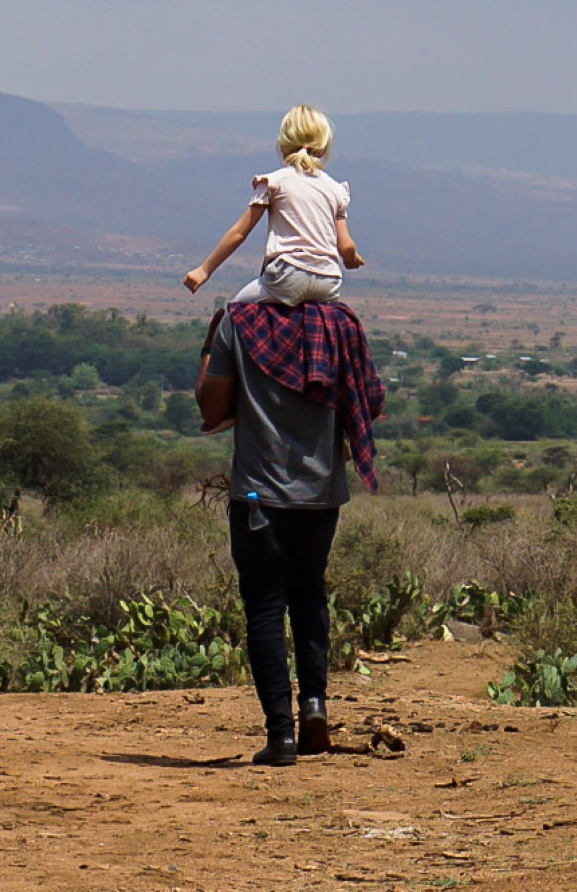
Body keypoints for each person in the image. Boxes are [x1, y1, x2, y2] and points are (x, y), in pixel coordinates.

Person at [197, 298, 384, 766]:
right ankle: (315, 706)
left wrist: (209, 348)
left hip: (258, 496)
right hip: (321, 494)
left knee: (263, 607)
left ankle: (280, 735)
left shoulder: (236, 323)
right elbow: (369, 400)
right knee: (309, 596)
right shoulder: (341, 325)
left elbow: (211, 407)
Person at [183, 105, 366, 305]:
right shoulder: (336, 189)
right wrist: (351, 258)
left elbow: (239, 233)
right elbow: (346, 246)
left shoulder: (273, 182)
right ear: (323, 147)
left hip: (287, 276)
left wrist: (204, 270)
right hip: (328, 282)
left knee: (232, 309)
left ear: (283, 144)